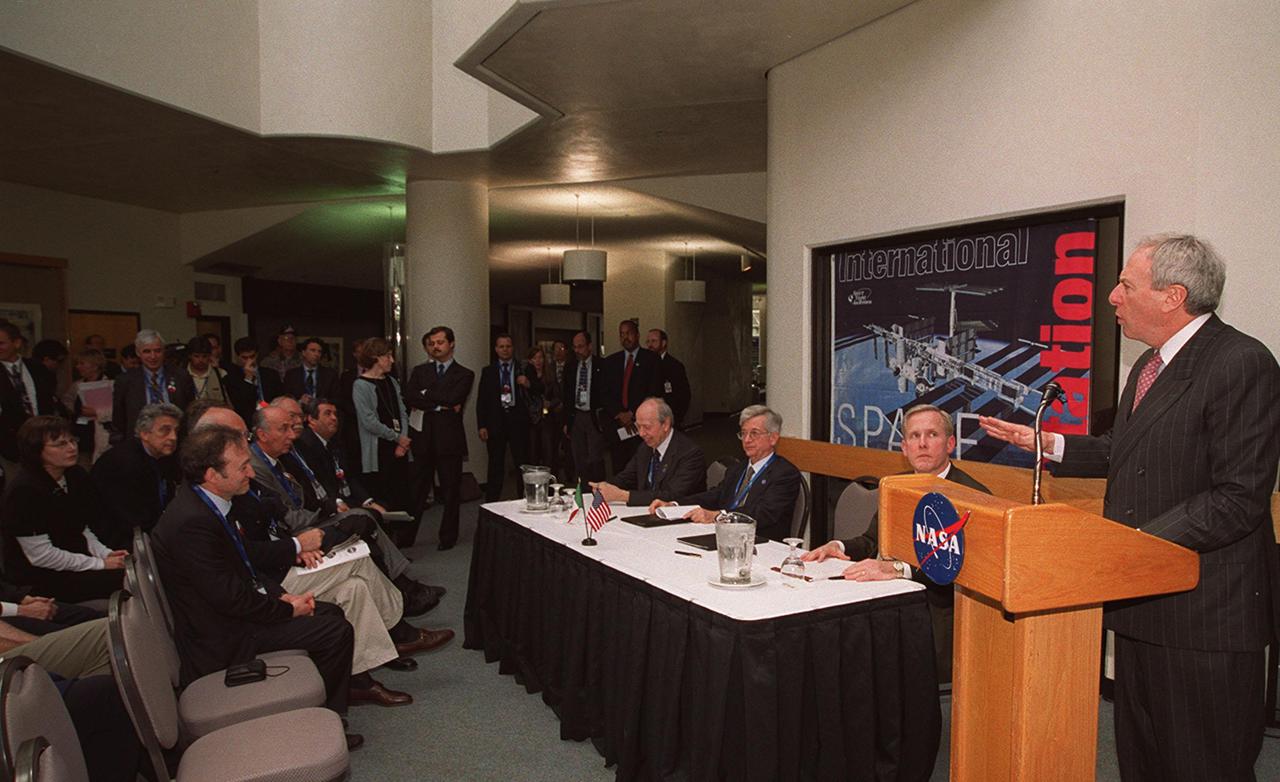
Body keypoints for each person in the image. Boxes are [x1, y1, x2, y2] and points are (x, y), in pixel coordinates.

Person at [979, 234, 1280, 781]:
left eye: (1125, 285)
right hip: (1142, 602)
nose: (1113, 298)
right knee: (1144, 762)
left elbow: (1239, 498)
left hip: (1204, 616)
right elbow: (1128, 450)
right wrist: (1047, 444)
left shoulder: (1241, 361)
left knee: (1203, 766)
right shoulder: (1150, 364)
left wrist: (1129, 549)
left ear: (1173, 296)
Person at [149, 425, 359, 739]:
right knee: (335, 630)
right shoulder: (192, 523)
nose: (250, 472)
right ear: (212, 474)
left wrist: (282, 597)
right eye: (242, 467)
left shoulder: (210, 504)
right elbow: (229, 597)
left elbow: (244, 566)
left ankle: (319, 709)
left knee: (330, 614)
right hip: (221, 636)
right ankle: (321, 725)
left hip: (232, 615)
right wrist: (286, 610)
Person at [804, 403, 989, 683]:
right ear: (904, 448)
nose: (922, 444)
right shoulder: (895, 486)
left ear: (950, 443)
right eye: (914, 437)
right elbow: (871, 541)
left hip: (942, 613)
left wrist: (898, 570)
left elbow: (963, 573)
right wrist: (838, 547)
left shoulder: (972, 497)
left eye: (932, 435)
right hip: (890, 603)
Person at [0, 417, 126, 603]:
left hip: (74, 561)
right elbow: (41, 556)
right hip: (39, 578)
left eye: (72, 441)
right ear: (37, 451)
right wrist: (99, 564)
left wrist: (105, 553)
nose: (71, 448)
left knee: (132, 570)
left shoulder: (75, 475)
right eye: (60, 444)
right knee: (125, 580)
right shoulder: (24, 491)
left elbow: (82, 528)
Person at [649, 404, 800, 541]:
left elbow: (763, 513)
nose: (746, 440)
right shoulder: (737, 468)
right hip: (724, 537)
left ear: (773, 438)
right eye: (743, 433)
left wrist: (718, 516)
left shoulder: (785, 473)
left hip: (761, 542)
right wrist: (675, 505)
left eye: (754, 433)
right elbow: (716, 495)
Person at [404, 327, 474, 550]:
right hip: (423, 439)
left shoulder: (465, 373)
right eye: (432, 343)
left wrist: (426, 395)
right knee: (416, 491)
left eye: (440, 342)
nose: (436, 346)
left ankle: (447, 538)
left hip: (449, 441)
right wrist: (440, 403)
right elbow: (410, 396)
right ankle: (407, 538)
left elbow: (454, 397)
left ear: (451, 344)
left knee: (451, 491)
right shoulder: (419, 371)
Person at [89, 402, 181, 549]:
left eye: (176, 431)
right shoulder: (123, 462)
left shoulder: (162, 456)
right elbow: (132, 518)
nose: (173, 437)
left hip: (147, 531)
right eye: (165, 430)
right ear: (144, 433)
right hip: (117, 541)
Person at [593, 397, 705, 506]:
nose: (641, 433)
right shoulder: (645, 447)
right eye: (638, 427)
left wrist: (623, 496)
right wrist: (605, 486)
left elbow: (672, 495)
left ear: (665, 424)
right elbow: (627, 477)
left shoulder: (690, 453)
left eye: (647, 427)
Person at [351, 337, 413, 512]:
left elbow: (403, 412)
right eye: (388, 356)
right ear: (375, 358)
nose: (392, 360)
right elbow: (368, 421)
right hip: (378, 450)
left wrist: (404, 440)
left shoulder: (392, 382)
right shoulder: (360, 385)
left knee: (403, 498)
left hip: (399, 448)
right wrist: (398, 438)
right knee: (383, 498)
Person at [475, 334, 532, 502]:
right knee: (495, 465)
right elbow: (482, 400)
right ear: (496, 349)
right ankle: (492, 502)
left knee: (522, 463)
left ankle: (525, 499)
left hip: (518, 422)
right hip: (496, 423)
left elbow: (539, 389)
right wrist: (482, 425)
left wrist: (528, 383)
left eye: (508, 346)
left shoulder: (523, 368)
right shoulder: (488, 371)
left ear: (512, 348)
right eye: (501, 347)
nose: (505, 350)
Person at [110, 329, 193, 443]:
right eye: (147, 351)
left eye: (157, 351)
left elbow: (190, 412)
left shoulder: (181, 376)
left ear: (164, 351)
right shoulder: (125, 380)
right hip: (139, 442)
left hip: (175, 440)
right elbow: (119, 419)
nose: (153, 356)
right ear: (138, 353)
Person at [1, 320, 60, 474]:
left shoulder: (37, 368)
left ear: (17, 343)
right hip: (10, 444)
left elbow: (49, 400)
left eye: (1, 343)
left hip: (43, 439)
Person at [602, 319, 660, 472]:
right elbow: (605, 393)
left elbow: (653, 391)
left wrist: (632, 413)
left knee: (641, 467)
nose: (625, 337)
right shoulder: (611, 362)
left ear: (637, 335)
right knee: (619, 468)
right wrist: (619, 414)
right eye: (621, 334)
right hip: (617, 424)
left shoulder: (651, 359)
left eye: (628, 333)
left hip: (641, 424)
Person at [562, 330, 606, 484]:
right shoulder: (571, 367)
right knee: (578, 457)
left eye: (580, 347)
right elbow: (566, 395)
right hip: (576, 415)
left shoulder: (601, 365)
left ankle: (598, 492)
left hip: (593, 415)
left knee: (595, 457)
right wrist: (567, 421)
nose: (577, 351)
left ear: (589, 346)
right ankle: (583, 490)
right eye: (575, 347)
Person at [62, 348, 113, 466]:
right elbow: (67, 401)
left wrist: (97, 412)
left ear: (95, 366)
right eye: (77, 364)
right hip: (81, 432)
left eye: (82, 363)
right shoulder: (77, 385)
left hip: (102, 432)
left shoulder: (110, 384)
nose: (78, 367)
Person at [524, 345, 563, 478]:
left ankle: (552, 484)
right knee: (533, 454)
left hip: (548, 419)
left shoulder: (550, 376)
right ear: (530, 360)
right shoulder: (526, 378)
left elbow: (558, 397)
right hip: (532, 420)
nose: (538, 361)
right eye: (535, 358)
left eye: (540, 357)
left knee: (549, 455)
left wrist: (550, 404)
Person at [223, 336, 282, 425]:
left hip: (271, 418)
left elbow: (279, 398)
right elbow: (240, 404)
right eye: (245, 358)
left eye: (252, 356)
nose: (249, 361)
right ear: (237, 357)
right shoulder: (231, 378)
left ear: (257, 354)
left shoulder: (271, 374)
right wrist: (248, 379)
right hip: (247, 421)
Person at [646, 328, 691, 426]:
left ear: (663, 343)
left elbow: (683, 395)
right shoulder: (644, 365)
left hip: (668, 418)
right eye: (648, 342)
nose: (650, 345)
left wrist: (675, 417)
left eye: (654, 341)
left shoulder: (674, 366)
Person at [284, 337, 339, 403]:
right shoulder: (291, 375)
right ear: (303, 352)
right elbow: (285, 399)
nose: (316, 354)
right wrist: (299, 401)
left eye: (319, 352)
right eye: (313, 350)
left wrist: (320, 401)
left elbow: (337, 400)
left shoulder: (330, 375)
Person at [182, 335, 230, 405]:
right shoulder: (180, 375)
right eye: (196, 356)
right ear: (190, 356)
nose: (201, 360)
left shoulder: (221, 374)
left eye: (204, 356)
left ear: (209, 356)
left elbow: (228, 402)